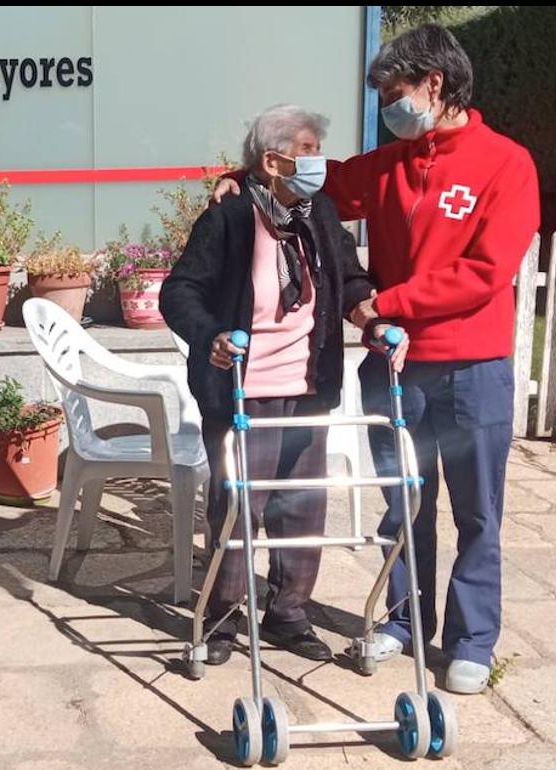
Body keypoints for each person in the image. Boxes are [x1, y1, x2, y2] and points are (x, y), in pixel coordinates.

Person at [212, 24, 539, 693]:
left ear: (435, 85)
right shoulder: (391, 164)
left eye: (396, 95)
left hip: (472, 368)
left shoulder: (506, 163)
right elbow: (318, 180)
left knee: (478, 513)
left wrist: (386, 304)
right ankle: (402, 620)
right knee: (403, 504)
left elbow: (486, 271)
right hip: (395, 370)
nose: (391, 110)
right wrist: (243, 175)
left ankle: (472, 639)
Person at [161, 104, 403, 664]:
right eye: (309, 151)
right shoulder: (228, 217)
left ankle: (288, 612)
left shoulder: (318, 213)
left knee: (303, 507)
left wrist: (373, 319)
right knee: (240, 506)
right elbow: (180, 292)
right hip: (244, 389)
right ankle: (221, 620)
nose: (319, 163)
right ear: (272, 161)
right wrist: (212, 336)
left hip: (308, 384)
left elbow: (349, 278)